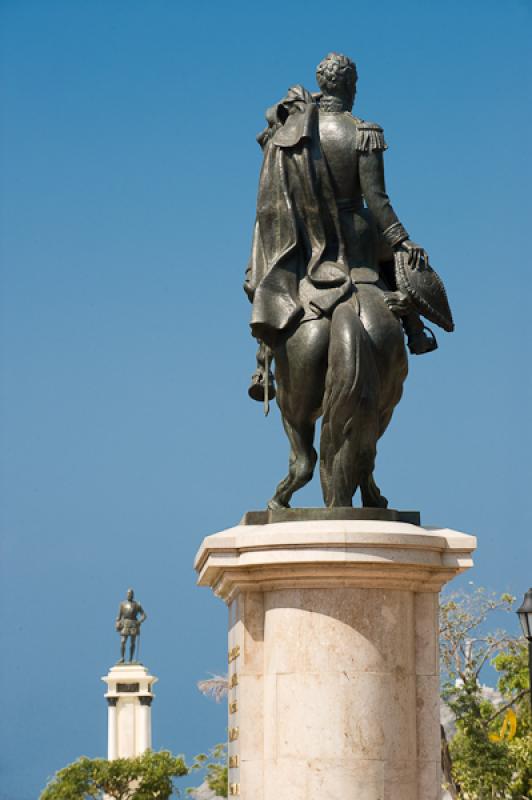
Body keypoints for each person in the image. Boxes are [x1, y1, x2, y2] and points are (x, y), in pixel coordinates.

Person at [115, 588, 147, 663]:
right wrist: (117, 623)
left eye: (130, 593)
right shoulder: (122, 604)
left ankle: (131, 659)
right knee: (123, 641)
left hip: (133, 624)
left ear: (132, 595)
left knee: (132, 642)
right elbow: (119, 616)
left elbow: (144, 615)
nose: (129, 595)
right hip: (125, 623)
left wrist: (139, 621)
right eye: (128, 593)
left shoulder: (137, 604)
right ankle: (122, 658)